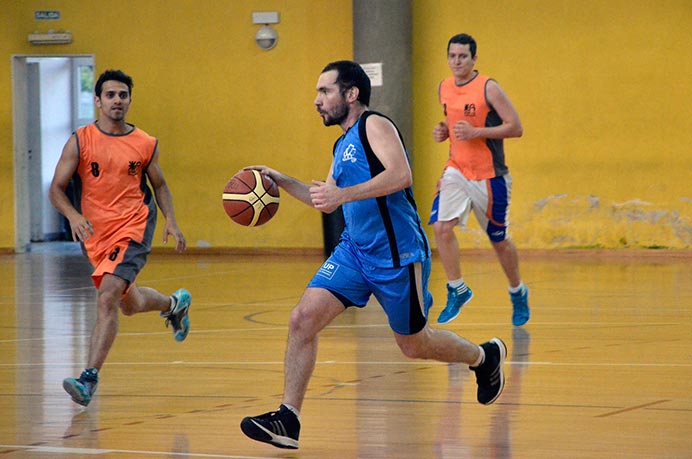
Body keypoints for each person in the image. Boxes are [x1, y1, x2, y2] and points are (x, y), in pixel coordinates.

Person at [240, 60, 506, 450]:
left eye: (324, 91)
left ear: (351, 94)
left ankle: (483, 358)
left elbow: (401, 175)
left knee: (414, 345)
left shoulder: (374, 126)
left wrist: (343, 195)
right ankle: (288, 419)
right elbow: (326, 202)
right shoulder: (341, 142)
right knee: (302, 320)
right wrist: (283, 181)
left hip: (397, 255)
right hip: (354, 252)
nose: (317, 100)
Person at [48, 69, 192, 407]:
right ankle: (174, 305)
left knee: (107, 297)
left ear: (129, 100)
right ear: (97, 100)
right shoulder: (81, 140)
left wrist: (171, 219)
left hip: (134, 226)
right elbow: (56, 189)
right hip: (95, 233)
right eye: (110, 95)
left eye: (123, 95)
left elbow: (159, 184)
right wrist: (73, 215)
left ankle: (89, 378)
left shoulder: (144, 143)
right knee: (130, 304)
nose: (117, 101)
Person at [429, 33, 530, 327]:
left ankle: (517, 291)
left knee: (499, 241)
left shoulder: (489, 88)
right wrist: (443, 131)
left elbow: (516, 127)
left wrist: (476, 134)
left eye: (463, 56)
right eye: (452, 56)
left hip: (490, 176)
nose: (457, 61)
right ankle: (457, 288)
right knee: (441, 227)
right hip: (456, 169)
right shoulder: (444, 88)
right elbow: (452, 122)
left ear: (474, 59)